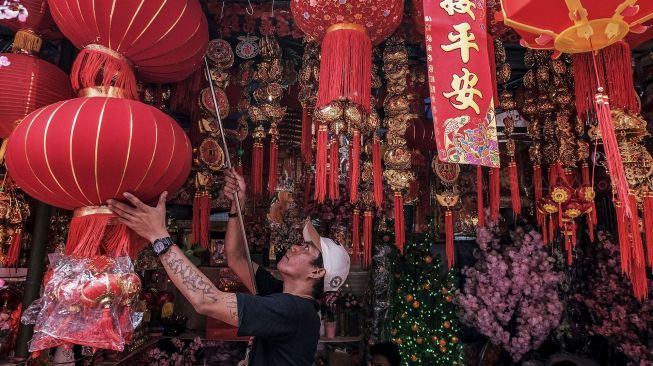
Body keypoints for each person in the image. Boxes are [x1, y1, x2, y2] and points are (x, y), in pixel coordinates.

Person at [107, 168, 350, 366]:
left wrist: (159, 236)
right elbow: (236, 259)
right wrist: (237, 206)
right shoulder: (283, 293)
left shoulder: (293, 310)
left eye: (307, 249)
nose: (296, 247)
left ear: (317, 272)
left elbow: (207, 300)